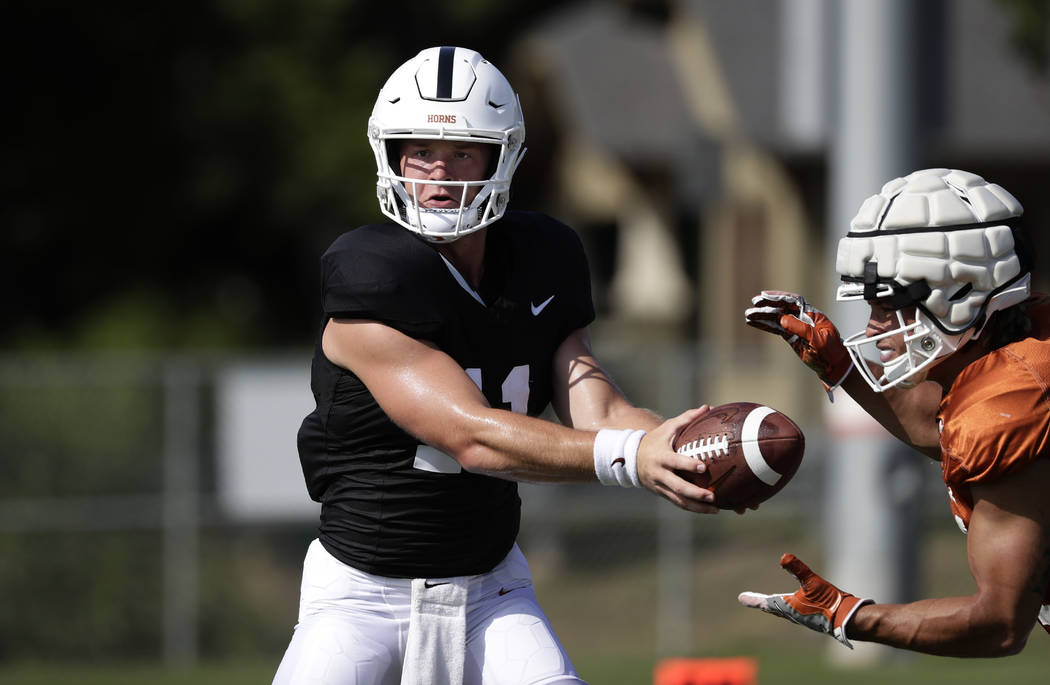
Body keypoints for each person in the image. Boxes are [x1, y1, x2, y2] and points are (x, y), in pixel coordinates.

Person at [272, 46, 718, 685]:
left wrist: (674, 447)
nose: (439, 174)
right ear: (392, 156)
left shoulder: (542, 254)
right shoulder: (371, 273)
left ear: (501, 158)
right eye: (421, 151)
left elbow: (595, 402)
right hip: (361, 594)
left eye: (463, 153)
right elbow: (472, 437)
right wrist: (630, 458)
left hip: (489, 590)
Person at [738, 167, 1050, 656]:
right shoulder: (1015, 351)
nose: (875, 325)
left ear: (962, 292)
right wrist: (844, 369)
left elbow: (1000, 623)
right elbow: (941, 430)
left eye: (890, 302)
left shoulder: (1010, 403)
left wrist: (848, 616)